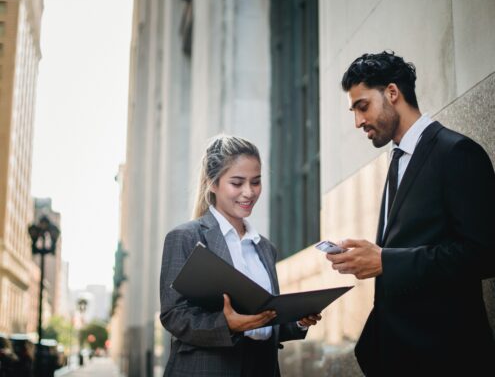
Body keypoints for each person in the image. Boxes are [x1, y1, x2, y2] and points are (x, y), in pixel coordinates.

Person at [325, 51, 495, 376]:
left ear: (392, 93)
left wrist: (385, 261)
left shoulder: (457, 153)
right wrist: (372, 257)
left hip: (448, 357)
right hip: (398, 356)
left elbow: (484, 253)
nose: (358, 122)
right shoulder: (396, 161)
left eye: (362, 107)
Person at [160, 135, 321, 377]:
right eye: (237, 183)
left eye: (256, 182)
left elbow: (265, 321)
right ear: (212, 184)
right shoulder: (186, 237)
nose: (249, 192)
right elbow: (173, 315)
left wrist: (297, 321)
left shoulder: (264, 247)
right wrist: (226, 325)